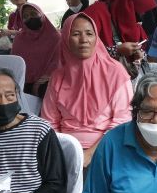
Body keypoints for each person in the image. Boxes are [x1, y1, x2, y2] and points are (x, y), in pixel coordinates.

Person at [42, 13, 133, 168]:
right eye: (76, 34)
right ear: (65, 39)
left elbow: (122, 121)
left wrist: (89, 154)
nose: (84, 40)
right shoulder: (58, 77)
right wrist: (61, 153)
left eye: (89, 34)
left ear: (96, 38)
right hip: (66, 149)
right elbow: (49, 121)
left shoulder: (116, 72)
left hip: (108, 146)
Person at [11, 4, 60, 98]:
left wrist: (50, 75)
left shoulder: (55, 37)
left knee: (49, 89)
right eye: (25, 16)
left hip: (47, 80)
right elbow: (16, 64)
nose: (30, 17)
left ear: (41, 14)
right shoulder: (19, 39)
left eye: (33, 13)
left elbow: (59, 62)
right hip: (23, 82)